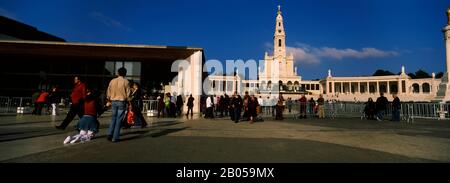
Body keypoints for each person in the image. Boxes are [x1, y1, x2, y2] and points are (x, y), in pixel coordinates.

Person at [106, 67, 131, 143]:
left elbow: (108, 91)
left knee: (113, 118)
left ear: (118, 73)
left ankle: (110, 133)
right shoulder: (126, 82)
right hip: (121, 102)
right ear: (125, 73)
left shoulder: (112, 81)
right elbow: (128, 94)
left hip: (113, 101)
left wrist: (109, 99)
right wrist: (129, 101)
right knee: (119, 120)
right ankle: (115, 137)